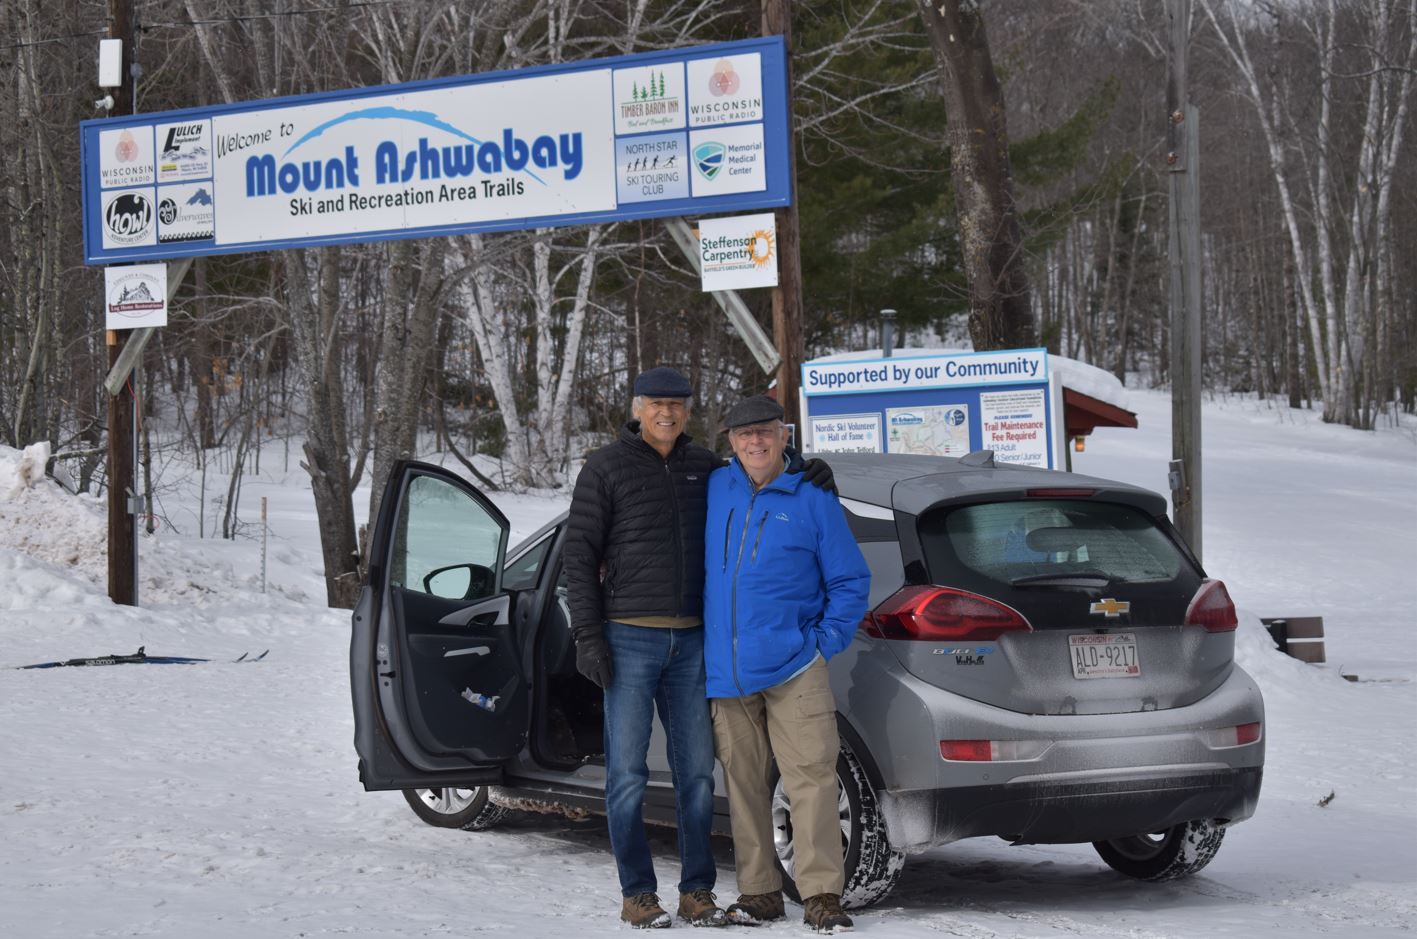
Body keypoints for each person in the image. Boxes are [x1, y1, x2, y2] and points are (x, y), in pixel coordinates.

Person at [565, 369, 833, 929]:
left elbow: (762, 478)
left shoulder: (707, 469)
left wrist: (807, 467)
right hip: (628, 637)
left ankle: (697, 891)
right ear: (637, 408)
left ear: (689, 411)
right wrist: (589, 637)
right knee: (627, 773)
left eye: (678, 404)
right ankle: (638, 891)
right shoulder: (605, 467)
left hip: (693, 642)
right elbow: (578, 558)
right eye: (657, 404)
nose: (668, 413)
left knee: (698, 775)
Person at [702, 395, 871, 935]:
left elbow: (850, 580)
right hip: (727, 670)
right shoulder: (713, 489)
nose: (756, 442)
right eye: (745, 434)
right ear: (730, 440)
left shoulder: (813, 497)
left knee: (812, 778)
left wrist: (824, 641)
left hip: (796, 664)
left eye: (766, 432)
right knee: (744, 782)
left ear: (784, 436)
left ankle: (821, 893)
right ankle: (759, 893)